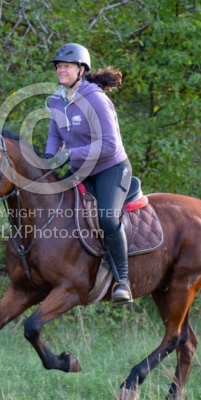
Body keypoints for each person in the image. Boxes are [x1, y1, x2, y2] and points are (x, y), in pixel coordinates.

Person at [44, 43, 133, 304]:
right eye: (59, 66)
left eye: (66, 66)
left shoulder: (95, 99)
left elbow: (110, 146)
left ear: (82, 70)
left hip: (111, 170)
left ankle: (122, 280)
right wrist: (49, 159)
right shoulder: (56, 100)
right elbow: (54, 136)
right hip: (81, 171)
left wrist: (70, 154)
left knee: (107, 218)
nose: (61, 70)